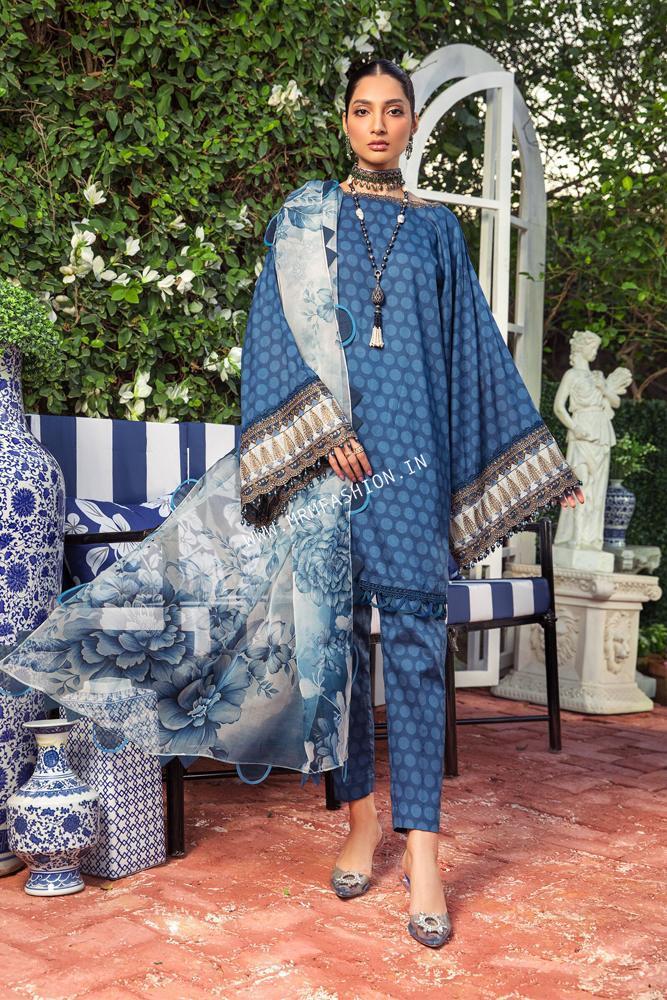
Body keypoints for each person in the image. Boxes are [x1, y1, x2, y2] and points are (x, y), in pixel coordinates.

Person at [0, 59, 584, 951]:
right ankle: (359, 820)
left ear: (412, 123)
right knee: (333, 650)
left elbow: (473, 354)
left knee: (417, 645)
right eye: (363, 109)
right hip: (328, 471)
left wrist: (538, 461)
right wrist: (318, 432)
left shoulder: (437, 233)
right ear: (343, 120)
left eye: (393, 110)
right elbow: (271, 334)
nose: (378, 124)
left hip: (411, 467)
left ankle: (422, 851)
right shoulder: (304, 218)